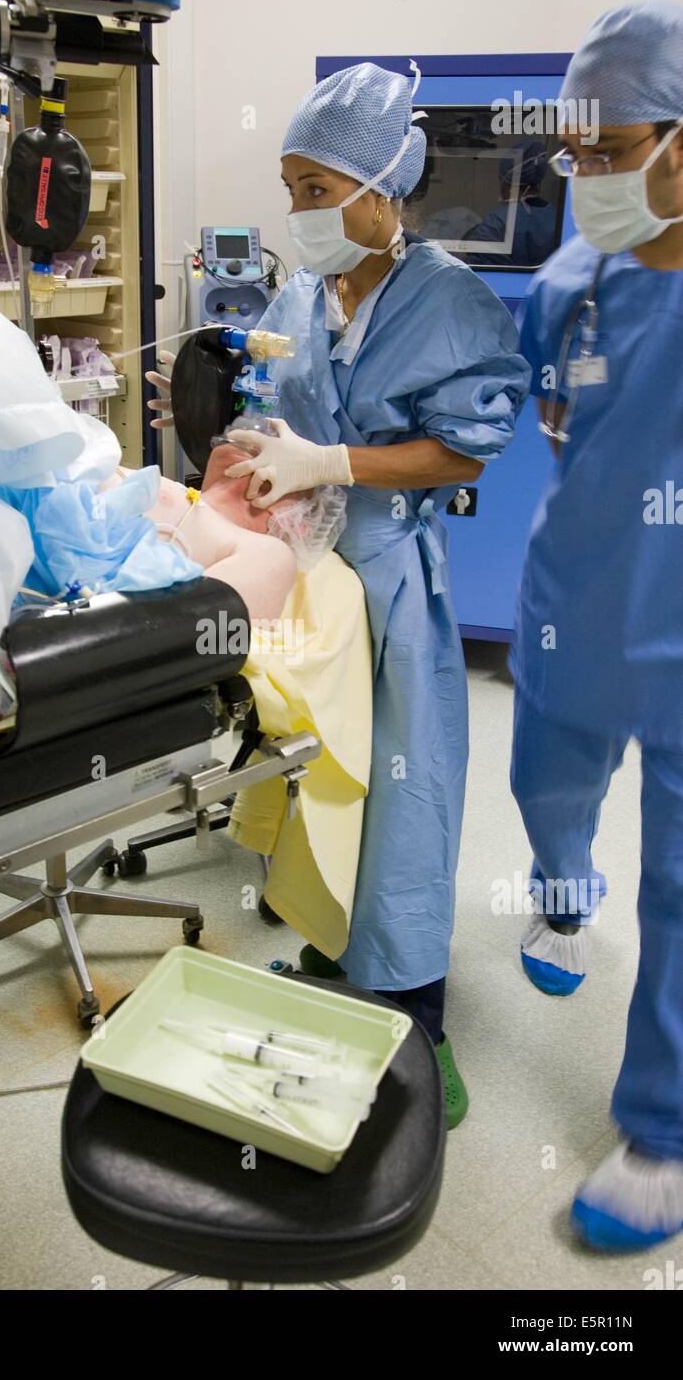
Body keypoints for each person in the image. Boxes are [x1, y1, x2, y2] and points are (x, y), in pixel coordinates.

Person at [150, 62, 531, 1128]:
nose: (298, 214)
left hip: (388, 590)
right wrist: (248, 443)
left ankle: (417, 1026)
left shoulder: (448, 300)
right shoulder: (300, 294)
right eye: (289, 190)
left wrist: (337, 468)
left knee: (400, 799)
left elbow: (464, 454)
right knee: (315, 786)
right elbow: (279, 403)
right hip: (305, 582)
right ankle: (328, 956)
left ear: (380, 186)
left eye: (315, 190)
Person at [509, 1, 683, 1249]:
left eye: (608, 149)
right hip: (574, 601)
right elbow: (551, 413)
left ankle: (666, 1135)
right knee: (545, 782)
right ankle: (564, 893)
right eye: (573, 154)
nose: (585, 180)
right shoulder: (570, 279)